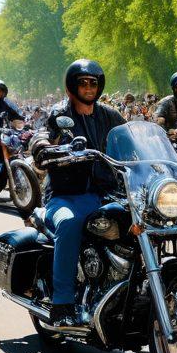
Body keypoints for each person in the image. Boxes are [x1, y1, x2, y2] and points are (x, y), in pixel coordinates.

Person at [29, 60, 126, 327]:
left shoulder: (110, 115)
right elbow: (41, 135)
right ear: (73, 86)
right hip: (66, 195)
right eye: (83, 82)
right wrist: (43, 146)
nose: (88, 87)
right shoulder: (61, 114)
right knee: (70, 223)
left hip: (108, 193)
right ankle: (62, 303)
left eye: (93, 83)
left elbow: (131, 137)